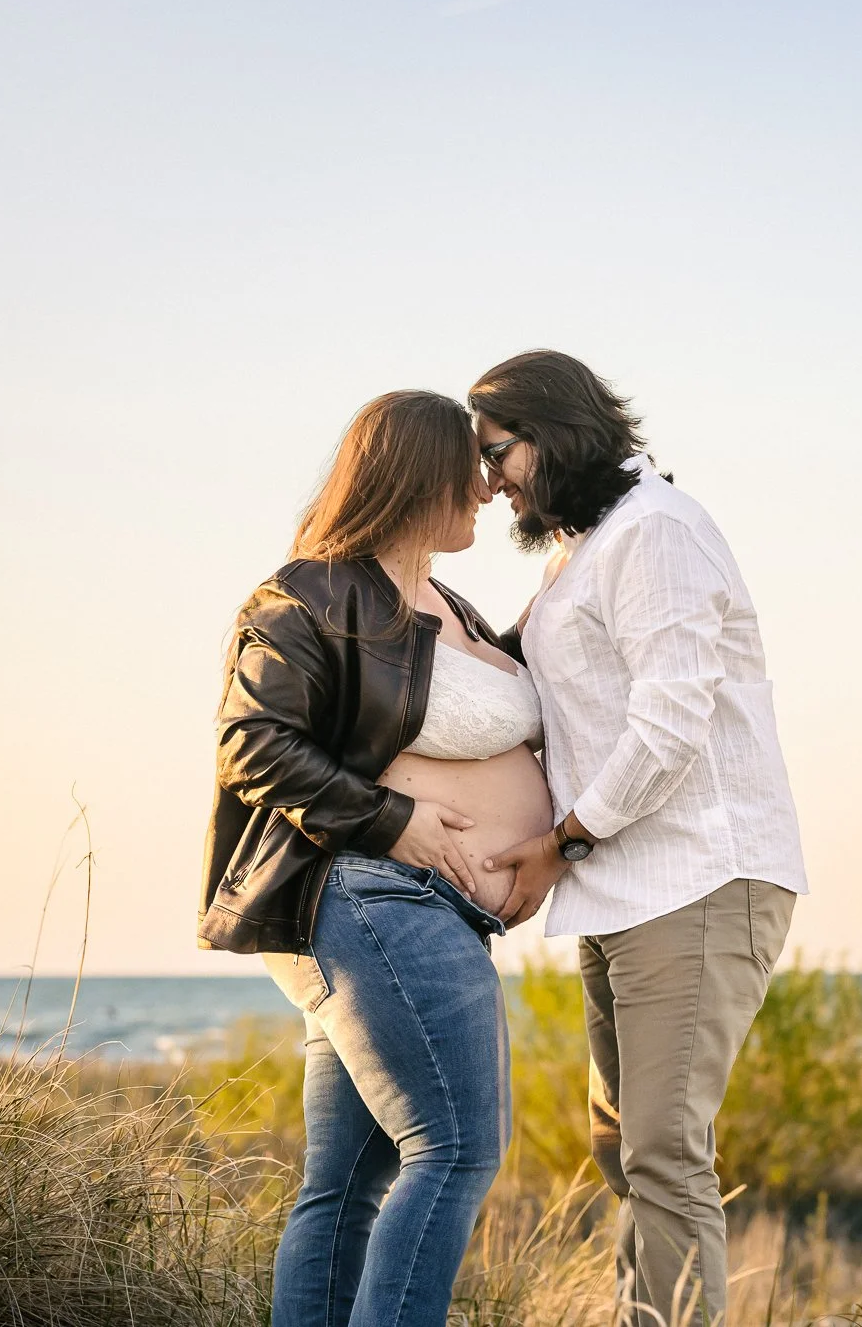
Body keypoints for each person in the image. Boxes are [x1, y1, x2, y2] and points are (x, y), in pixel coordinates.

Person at [199, 389, 551, 1327]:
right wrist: (397, 822)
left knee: (348, 1181)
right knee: (457, 1150)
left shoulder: (450, 599)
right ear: (410, 473)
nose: (484, 488)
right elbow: (253, 743)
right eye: (464, 469)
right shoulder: (308, 592)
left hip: (415, 912)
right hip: (367, 899)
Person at [475, 350, 808, 1326]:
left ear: (556, 433)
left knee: (663, 1146)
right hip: (621, 884)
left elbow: (670, 720)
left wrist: (560, 842)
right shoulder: (579, 548)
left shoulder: (656, 533)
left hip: (697, 876)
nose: (490, 481)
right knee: (621, 1146)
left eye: (498, 454)